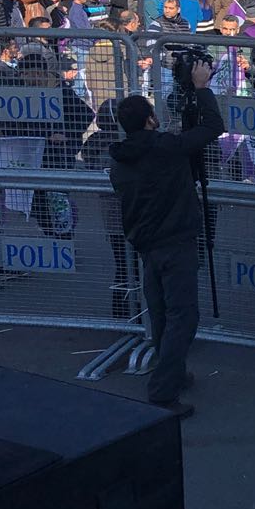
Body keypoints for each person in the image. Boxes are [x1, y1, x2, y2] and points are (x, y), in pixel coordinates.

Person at [107, 56, 225, 417]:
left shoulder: (120, 160)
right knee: (182, 316)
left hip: (147, 243)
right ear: (150, 120)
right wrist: (201, 88)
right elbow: (214, 127)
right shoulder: (167, 149)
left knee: (160, 312)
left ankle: (171, 372)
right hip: (176, 241)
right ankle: (163, 390)